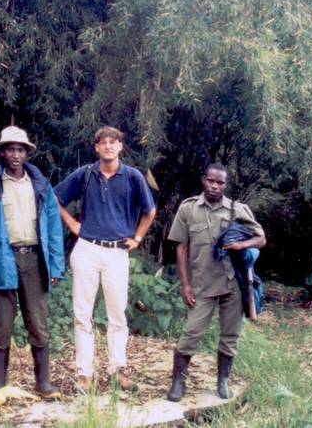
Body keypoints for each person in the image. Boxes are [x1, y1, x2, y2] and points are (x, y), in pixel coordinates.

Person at [55, 126, 157, 392]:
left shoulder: (133, 176)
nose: (109, 147)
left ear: (121, 147)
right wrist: (72, 225)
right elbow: (53, 198)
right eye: (104, 142)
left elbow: (150, 210)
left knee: (117, 314)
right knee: (82, 314)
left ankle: (118, 370)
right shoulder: (85, 174)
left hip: (117, 253)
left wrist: (137, 238)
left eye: (114, 142)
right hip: (87, 248)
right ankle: (84, 374)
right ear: (96, 147)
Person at [0, 126, 65, 399]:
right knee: (1, 323)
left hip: (35, 260)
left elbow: (54, 229)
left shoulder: (41, 185)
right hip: (2, 260)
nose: (15, 154)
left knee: (38, 321)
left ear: (27, 153)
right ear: (2, 152)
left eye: (20, 149)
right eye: (10, 149)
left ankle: (43, 383)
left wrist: (56, 265)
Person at [165, 163, 265, 402]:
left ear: (225, 185)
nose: (214, 185)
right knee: (191, 332)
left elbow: (261, 238)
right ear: (203, 180)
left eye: (220, 182)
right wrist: (185, 283)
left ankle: (223, 380)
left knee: (231, 334)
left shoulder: (236, 209)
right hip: (201, 284)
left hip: (232, 284)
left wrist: (243, 245)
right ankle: (178, 381)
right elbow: (181, 246)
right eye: (211, 180)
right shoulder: (188, 209)